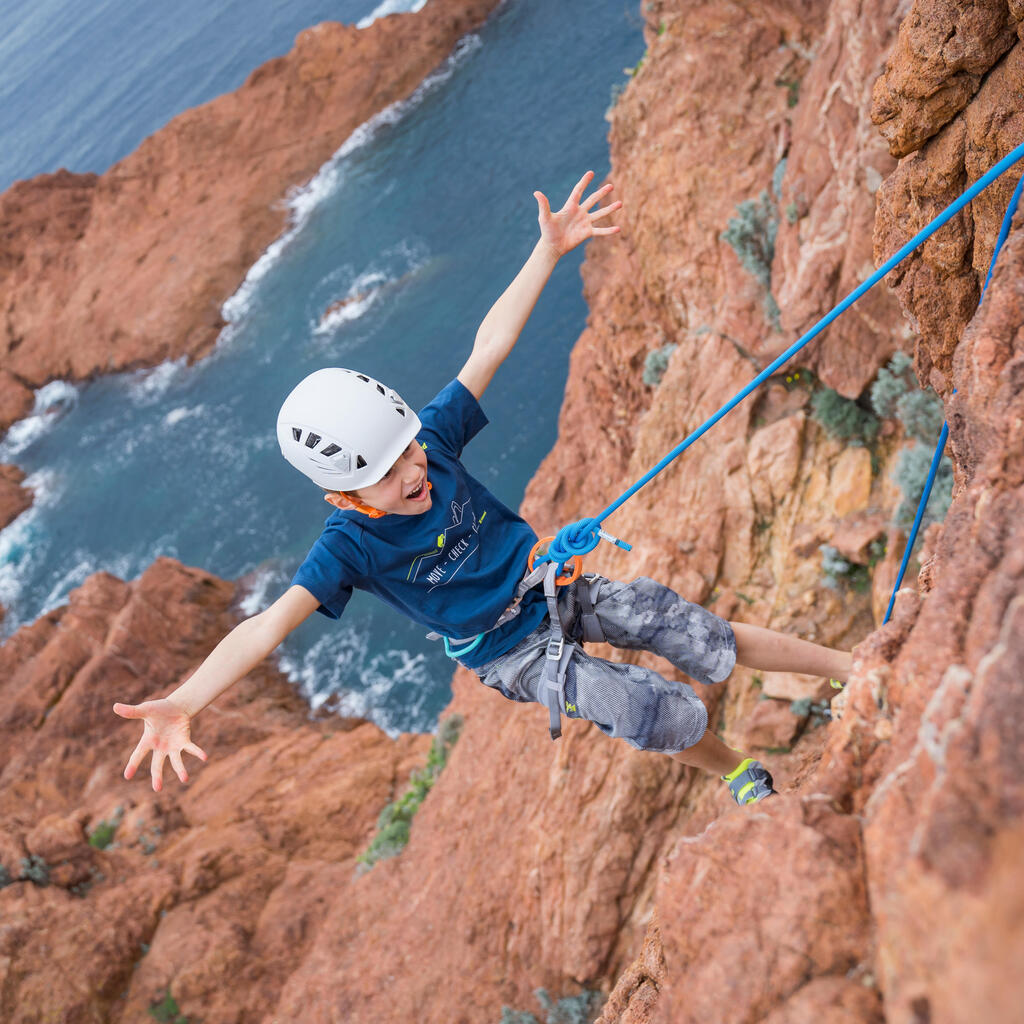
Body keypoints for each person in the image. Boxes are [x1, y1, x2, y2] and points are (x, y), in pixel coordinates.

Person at [114, 171, 851, 804]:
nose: (413, 474)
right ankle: (738, 772)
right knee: (631, 704)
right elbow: (263, 628)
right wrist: (184, 700)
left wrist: (548, 250)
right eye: (387, 474)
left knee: (680, 625)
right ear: (343, 499)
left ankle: (853, 669)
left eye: (409, 452)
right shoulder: (347, 549)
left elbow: (488, 346)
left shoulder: (429, 441)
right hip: (507, 653)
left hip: (547, 585)